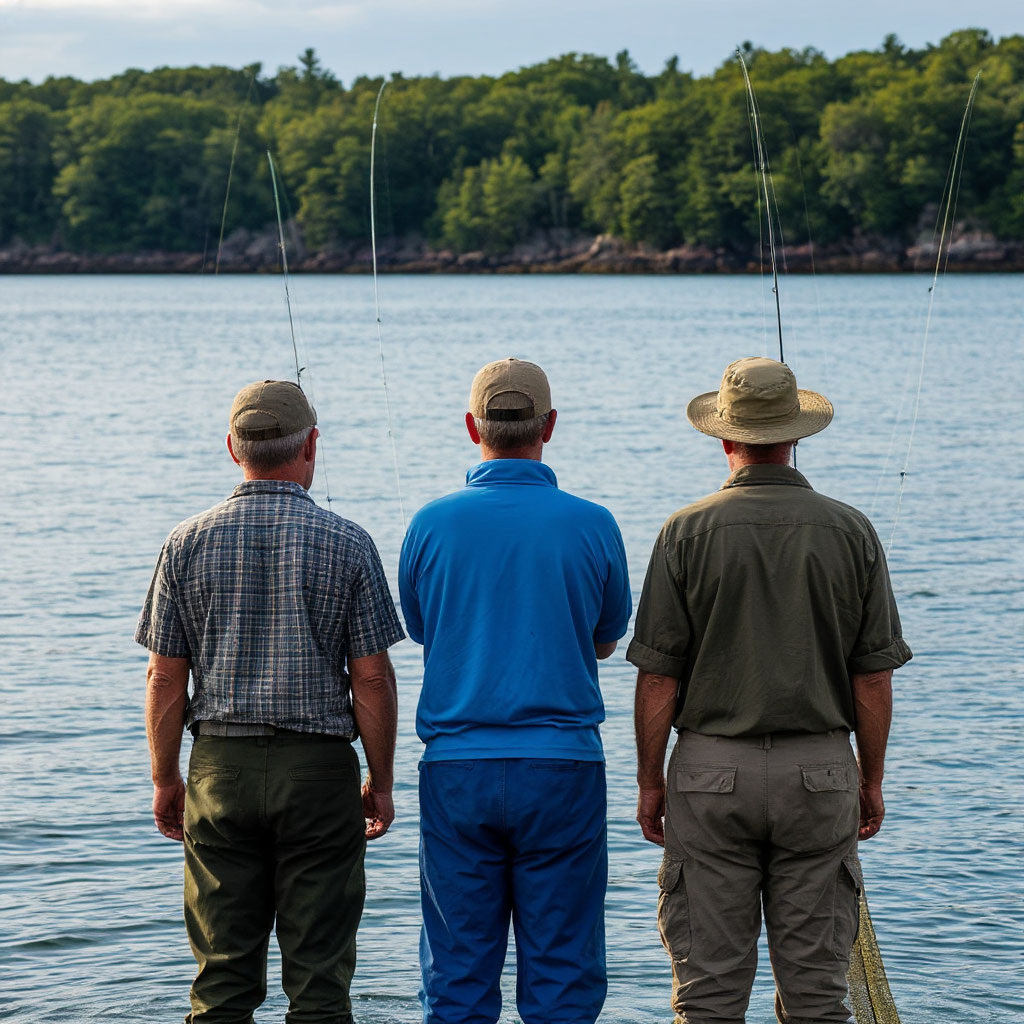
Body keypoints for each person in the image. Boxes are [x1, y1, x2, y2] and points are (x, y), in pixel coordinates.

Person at [629, 357, 913, 1024]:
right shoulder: (851, 530)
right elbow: (873, 677)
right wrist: (870, 780)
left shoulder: (683, 531)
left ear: (724, 437)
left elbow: (659, 677)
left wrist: (650, 782)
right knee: (818, 999)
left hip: (708, 775)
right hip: (820, 773)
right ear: (795, 435)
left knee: (707, 998)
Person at [136, 379, 405, 1024]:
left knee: (222, 984)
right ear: (311, 445)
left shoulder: (185, 542)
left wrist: (165, 779)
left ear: (233, 448)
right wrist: (382, 781)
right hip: (319, 774)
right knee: (320, 986)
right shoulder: (349, 542)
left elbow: (164, 679)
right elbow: (371, 680)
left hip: (219, 771)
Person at [398, 358, 632, 1024]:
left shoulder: (429, 524)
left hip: (456, 769)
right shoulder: (593, 524)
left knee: (456, 974)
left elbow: (424, 630)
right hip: (563, 769)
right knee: (564, 973)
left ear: (472, 426)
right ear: (549, 426)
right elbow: (606, 638)